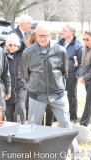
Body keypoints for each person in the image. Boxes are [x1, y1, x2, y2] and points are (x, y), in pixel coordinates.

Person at [22, 22, 81, 159]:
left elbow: (64, 71)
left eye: (45, 36)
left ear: (51, 35)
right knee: (33, 127)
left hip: (57, 94)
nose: (42, 38)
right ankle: (32, 156)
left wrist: (58, 84)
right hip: (37, 95)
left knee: (67, 125)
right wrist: (34, 85)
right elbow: (27, 73)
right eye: (39, 35)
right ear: (35, 35)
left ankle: (76, 156)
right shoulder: (28, 52)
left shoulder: (60, 50)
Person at [27, 31, 54, 126]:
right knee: (37, 115)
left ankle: (48, 127)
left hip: (50, 87)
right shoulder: (28, 53)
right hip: (36, 89)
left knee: (50, 110)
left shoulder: (51, 51)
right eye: (35, 41)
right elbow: (27, 73)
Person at [57, 25, 84, 124]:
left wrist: (78, 73)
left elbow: (82, 63)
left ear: (71, 33)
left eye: (65, 31)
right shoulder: (59, 44)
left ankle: (73, 117)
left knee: (72, 96)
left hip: (71, 74)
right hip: (58, 74)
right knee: (57, 96)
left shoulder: (78, 46)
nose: (62, 32)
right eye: (62, 30)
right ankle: (58, 116)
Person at [4, 33, 27, 124]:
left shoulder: (23, 53)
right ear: (6, 45)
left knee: (20, 109)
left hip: (21, 86)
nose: (13, 47)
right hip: (7, 88)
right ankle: (10, 134)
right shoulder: (2, 54)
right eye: (10, 45)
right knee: (9, 114)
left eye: (15, 45)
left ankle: (20, 131)